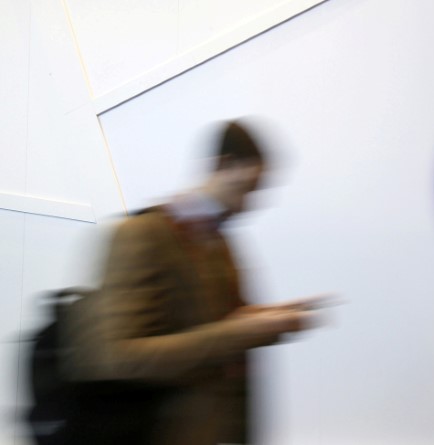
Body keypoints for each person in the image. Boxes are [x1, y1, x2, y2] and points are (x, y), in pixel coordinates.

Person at [62, 121, 324, 445]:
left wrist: (267, 319)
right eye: (247, 188)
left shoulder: (219, 241)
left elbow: (219, 321)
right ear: (225, 165)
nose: (250, 204)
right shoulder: (140, 236)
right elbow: (115, 356)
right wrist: (238, 333)